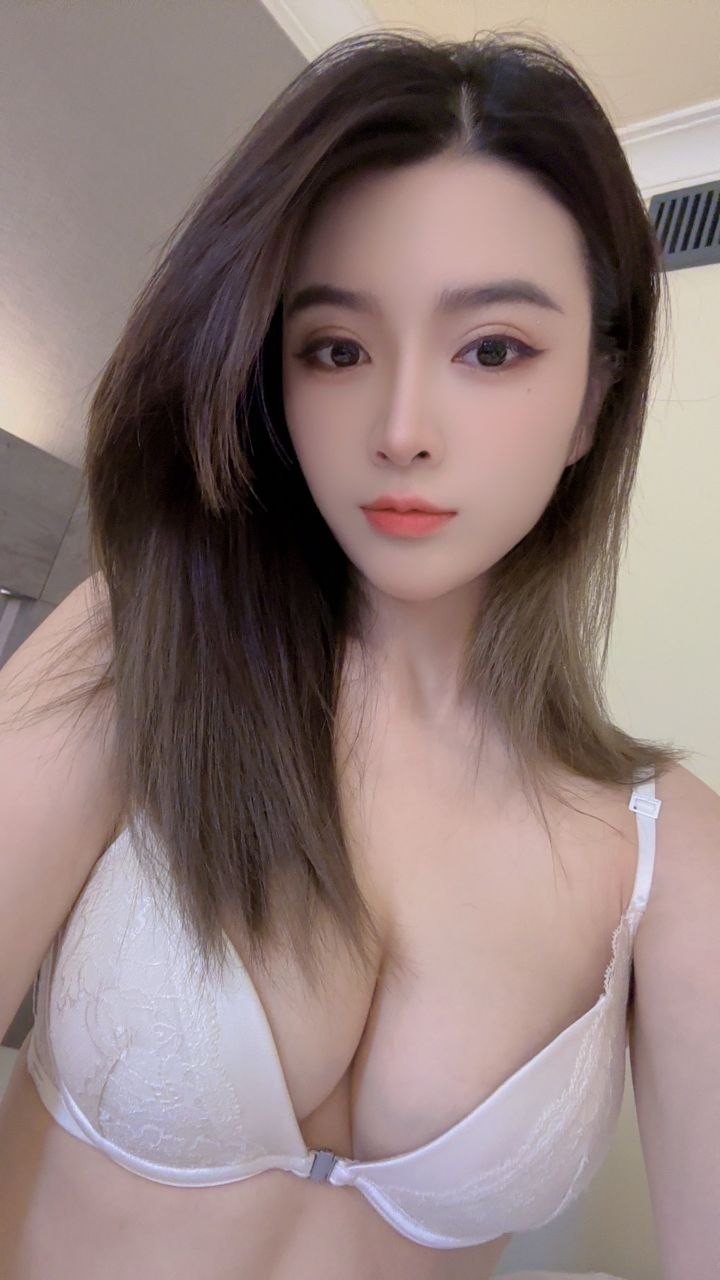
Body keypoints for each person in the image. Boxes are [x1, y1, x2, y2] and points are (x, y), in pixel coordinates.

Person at [0, 26, 718, 1280]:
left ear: (593, 402)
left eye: (491, 349)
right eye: (336, 347)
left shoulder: (671, 854)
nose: (400, 428)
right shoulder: (146, 646)